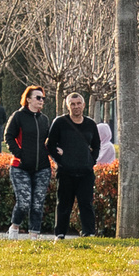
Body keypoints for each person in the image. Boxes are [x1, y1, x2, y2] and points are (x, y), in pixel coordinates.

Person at [4, 84, 54, 235]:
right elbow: (8, 136)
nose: (41, 101)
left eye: (43, 98)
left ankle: (34, 235)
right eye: (38, 97)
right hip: (21, 166)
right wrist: (20, 154)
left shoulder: (44, 119)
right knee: (24, 202)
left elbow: (49, 140)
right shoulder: (18, 116)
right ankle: (14, 227)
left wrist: (54, 150)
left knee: (38, 203)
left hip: (43, 167)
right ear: (28, 99)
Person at [49, 91, 100, 236]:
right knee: (64, 204)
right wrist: (60, 161)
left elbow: (96, 145)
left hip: (86, 173)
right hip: (66, 172)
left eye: (78, 104)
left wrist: (91, 161)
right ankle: (60, 234)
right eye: (72, 104)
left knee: (86, 204)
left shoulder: (90, 124)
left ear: (83, 105)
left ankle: (89, 233)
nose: (76, 106)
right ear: (68, 106)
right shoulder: (60, 122)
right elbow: (50, 145)